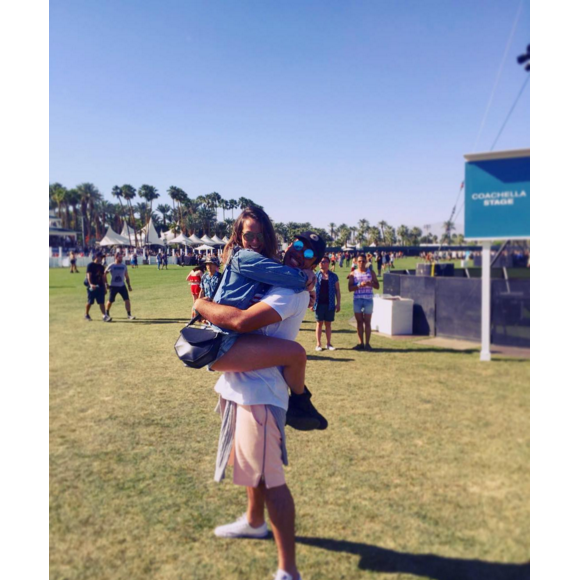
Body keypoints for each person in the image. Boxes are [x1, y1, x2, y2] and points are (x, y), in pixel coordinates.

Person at [194, 235, 322, 580]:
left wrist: (202, 305)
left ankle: (288, 570)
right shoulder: (274, 278)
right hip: (240, 385)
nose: (299, 253)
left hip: (261, 392)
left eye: (309, 254)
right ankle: (253, 521)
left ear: (314, 264)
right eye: (297, 244)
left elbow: (240, 322)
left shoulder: (289, 291)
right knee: (251, 466)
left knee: (271, 479)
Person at [194, 210, 322, 417]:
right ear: (238, 236)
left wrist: (309, 285)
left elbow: (277, 273)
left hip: (232, 343)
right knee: (296, 354)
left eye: (260, 236)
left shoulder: (261, 260)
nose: (255, 241)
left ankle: (302, 403)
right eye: (249, 236)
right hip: (224, 342)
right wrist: (308, 277)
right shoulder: (245, 258)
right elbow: (287, 276)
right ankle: (302, 405)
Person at [348, 254, 380, 350]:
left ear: (366, 262)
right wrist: (359, 285)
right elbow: (350, 288)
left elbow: (377, 286)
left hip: (368, 300)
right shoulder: (353, 273)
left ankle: (367, 344)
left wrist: (372, 284)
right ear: (356, 262)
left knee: (367, 322)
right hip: (357, 300)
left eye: (363, 261)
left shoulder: (371, 272)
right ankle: (360, 343)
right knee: (359, 322)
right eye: (359, 261)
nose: (361, 263)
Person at [313, 256, 341, 351]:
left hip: (330, 304)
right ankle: (318, 344)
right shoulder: (316, 275)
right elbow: (311, 290)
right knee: (319, 323)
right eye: (320, 262)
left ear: (328, 263)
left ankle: (328, 344)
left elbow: (337, 290)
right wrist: (311, 303)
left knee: (328, 324)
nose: (321, 263)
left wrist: (338, 303)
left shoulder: (334, 276)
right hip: (318, 303)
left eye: (324, 261)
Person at [104, 253, 135, 320]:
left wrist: (129, 285)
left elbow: (126, 276)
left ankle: (129, 315)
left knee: (127, 300)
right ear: (116, 257)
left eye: (121, 257)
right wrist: (106, 284)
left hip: (122, 286)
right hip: (113, 286)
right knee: (110, 301)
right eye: (120, 257)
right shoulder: (111, 265)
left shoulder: (124, 266)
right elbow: (104, 274)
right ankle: (106, 313)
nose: (121, 259)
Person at [84, 253, 112, 322]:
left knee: (101, 302)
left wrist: (105, 286)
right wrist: (90, 284)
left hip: (100, 286)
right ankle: (86, 314)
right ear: (96, 257)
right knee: (90, 302)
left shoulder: (102, 267)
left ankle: (104, 316)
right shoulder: (90, 265)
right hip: (92, 287)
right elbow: (88, 275)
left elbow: (103, 277)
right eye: (100, 257)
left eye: (102, 257)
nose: (101, 259)